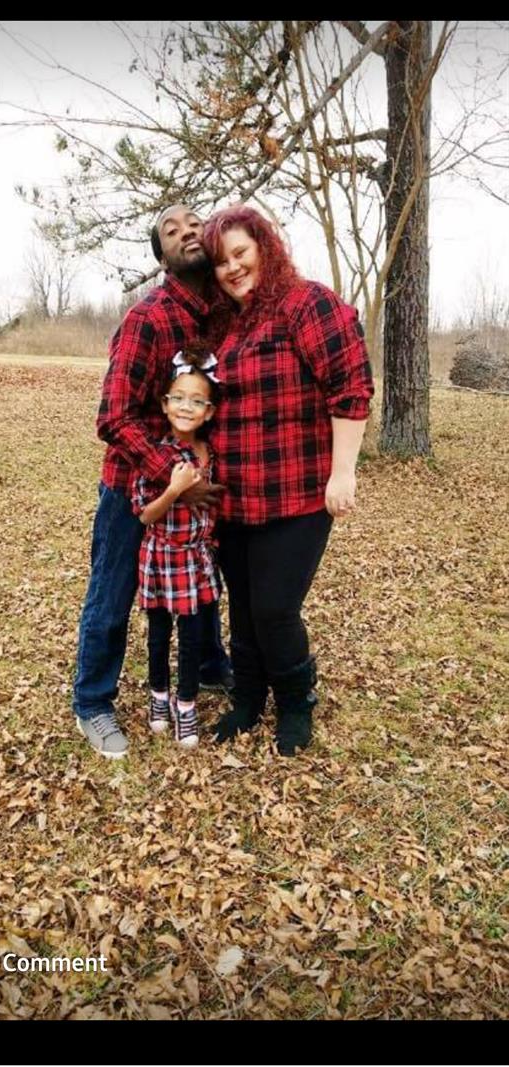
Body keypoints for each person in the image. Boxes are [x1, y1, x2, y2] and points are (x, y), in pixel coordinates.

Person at [202, 205, 374, 757]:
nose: (232, 268)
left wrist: (343, 471)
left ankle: (296, 702)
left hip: (298, 494)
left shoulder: (308, 303)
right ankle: (249, 699)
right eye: (221, 261)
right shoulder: (224, 327)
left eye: (240, 253)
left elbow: (350, 388)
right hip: (235, 498)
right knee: (245, 606)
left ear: (264, 248)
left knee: (275, 607)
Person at [73, 203, 233, 759]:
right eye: (172, 230)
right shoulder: (150, 319)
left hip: (200, 485)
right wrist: (175, 477)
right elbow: (112, 417)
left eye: (195, 223)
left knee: (200, 575)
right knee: (113, 593)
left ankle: (210, 665)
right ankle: (92, 702)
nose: (187, 231)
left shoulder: (220, 315)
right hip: (132, 486)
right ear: (161, 255)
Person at [131, 351, 222, 749]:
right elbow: (145, 516)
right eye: (179, 398)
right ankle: (158, 698)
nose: (187, 407)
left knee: (193, 636)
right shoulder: (157, 455)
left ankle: (185, 706)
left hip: (196, 559)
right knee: (158, 634)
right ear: (166, 405)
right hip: (162, 556)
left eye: (197, 401)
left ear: (208, 411)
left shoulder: (210, 452)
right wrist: (174, 489)